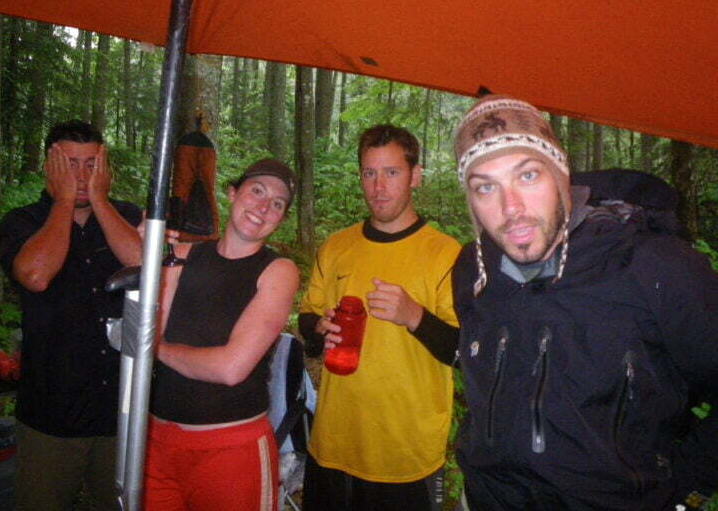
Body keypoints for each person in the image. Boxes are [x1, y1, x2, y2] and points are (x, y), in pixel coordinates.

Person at [451, 95, 718, 510]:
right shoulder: (474, 269)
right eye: (486, 186)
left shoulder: (653, 266)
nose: (511, 209)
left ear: (561, 175)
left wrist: (683, 488)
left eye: (527, 176)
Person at [299, 125, 462, 511]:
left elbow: (464, 351)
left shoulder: (446, 254)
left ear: (415, 177)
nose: (378, 186)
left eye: (392, 172)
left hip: (406, 455)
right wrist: (319, 329)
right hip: (333, 444)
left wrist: (415, 316)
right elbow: (308, 318)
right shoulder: (337, 246)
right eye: (369, 173)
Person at [0, 120, 143, 511]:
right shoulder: (22, 222)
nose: (81, 176)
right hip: (51, 413)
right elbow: (35, 275)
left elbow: (147, 265)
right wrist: (64, 202)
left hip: (121, 411)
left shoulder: (126, 215)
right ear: (49, 166)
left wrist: (100, 201)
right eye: (70, 164)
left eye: (92, 164)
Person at [144, 158, 300, 511]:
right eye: (256, 191)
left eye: (277, 203)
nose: (263, 206)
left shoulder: (278, 271)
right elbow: (148, 320)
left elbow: (231, 367)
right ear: (232, 193)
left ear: (281, 218)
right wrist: (145, 249)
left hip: (231, 448)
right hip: (156, 441)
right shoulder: (183, 254)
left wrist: (157, 349)